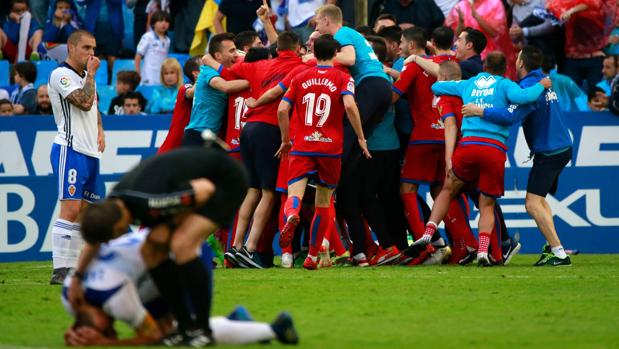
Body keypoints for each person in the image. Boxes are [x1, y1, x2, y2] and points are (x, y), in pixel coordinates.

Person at [69, 143, 249, 346]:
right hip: (196, 177)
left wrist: (173, 225)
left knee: (182, 244)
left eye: (115, 236)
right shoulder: (112, 205)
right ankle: (183, 326)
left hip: (225, 181)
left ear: (120, 225)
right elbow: (96, 241)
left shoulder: (152, 201)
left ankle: (202, 329)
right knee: (150, 250)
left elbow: (204, 190)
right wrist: (77, 278)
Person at [413, 51, 552, 266]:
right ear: (504, 68)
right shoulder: (505, 85)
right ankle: (483, 251)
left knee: (448, 189)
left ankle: (428, 231)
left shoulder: (469, 84)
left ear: (484, 66)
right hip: (494, 149)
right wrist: (542, 85)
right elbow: (525, 97)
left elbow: (436, 87)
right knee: (486, 204)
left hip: (468, 146)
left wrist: (462, 89)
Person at [61, 230, 299, 346]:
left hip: (186, 256)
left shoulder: (116, 300)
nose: (113, 325)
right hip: (156, 267)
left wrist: (108, 344)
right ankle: (236, 320)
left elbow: (152, 334)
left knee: (178, 335)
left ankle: (276, 329)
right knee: (169, 330)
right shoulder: (71, 291)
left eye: (107, 326)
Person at [460, 46, 572, 266]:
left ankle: (559, 253)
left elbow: (510, 116)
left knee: (531, 204)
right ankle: (553, 247)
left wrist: (479, 111)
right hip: (561, 147)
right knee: (539, 200)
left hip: (549, 150)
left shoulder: (530, 86)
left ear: (521, 64)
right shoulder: (543, 80)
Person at [277, 34, 369, 270]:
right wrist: (360, 137)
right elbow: (349, 105)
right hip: (330, 148)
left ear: (314, 52)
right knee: (324, 202)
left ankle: (291, 215)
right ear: (336, 53)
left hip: (303, 146)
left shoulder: (299, 76)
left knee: (294, 193)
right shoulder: (344, 77)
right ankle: (313, 256)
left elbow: (282, 109)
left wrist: (286, 140)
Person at [314, 4, 392, 266]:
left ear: (327, 21)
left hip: (370, 85)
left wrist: (316, 58)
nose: (316, 28)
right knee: (355, 151)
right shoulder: (350, 35)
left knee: (347, 132)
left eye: (317, 24)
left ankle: (330, 174)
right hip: (379, 87)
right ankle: (340, 179)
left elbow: (347, 59)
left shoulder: (344, 34)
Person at [391, 26, 457, 265]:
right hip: (447, 134)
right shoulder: (449, 65)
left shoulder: (413, 65)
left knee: (406, 190)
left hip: (423, 137)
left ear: (411, 46)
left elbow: (393, 96)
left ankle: (424, 247)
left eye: (401, 42)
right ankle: (460, 246)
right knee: (441, 192)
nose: (398, 45)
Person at [48, 30, 104, 284]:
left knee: (86, 213)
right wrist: (91, 74)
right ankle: (61, 269)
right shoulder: (61, 74)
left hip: (90, 151)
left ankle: (78, 267)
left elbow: (94, 105)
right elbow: (82, 101)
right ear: (71, 48)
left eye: (93, 48)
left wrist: (100, 130)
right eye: (85, 48)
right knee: (70, 209)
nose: (91, 53)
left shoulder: (85, 76)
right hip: (69, 149)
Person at [182, 33, 249, 146]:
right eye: (231, 51)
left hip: (211, 136)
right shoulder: (208, 70)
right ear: (218, 55)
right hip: (198, 134)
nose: (236, 54)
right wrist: (253, 80)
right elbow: (225, 86)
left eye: (236, 50)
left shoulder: (225, 71)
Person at [445, 0, 517, 79]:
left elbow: (494, 33)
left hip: (491, 58)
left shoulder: (495, 3)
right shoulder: (460, 6)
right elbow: (457, 35)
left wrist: (476, 16)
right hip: (467, 56)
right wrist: (461, 22)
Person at [404, 26, 486, 80]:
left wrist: (415, 58)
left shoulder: (470, 65)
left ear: (469, 45)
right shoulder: (474, 63)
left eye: (459, 40)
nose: (455, 44)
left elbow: (442, 71)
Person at [157, 56, 202, 154]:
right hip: (170, 150)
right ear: (196, 74)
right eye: (205, 66)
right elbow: (191, 92)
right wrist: (203, 76)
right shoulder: (185, 88)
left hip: (188, 148)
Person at [135, 11, 171, 86]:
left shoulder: (168, 40)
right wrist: (137, 73)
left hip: (161, 75)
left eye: (166, 21)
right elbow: (138, 55)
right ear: (153, 23)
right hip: (148, 75)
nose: (164, 23)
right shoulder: (147, 37)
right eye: (160, 21)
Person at [381, 0, 445, 35]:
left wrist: (417, 29)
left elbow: (439, 21)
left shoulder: (426, 3)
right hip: (397, 45)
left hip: (422, 44)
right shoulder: (390, 3)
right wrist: (397, 27)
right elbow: (383, 24)